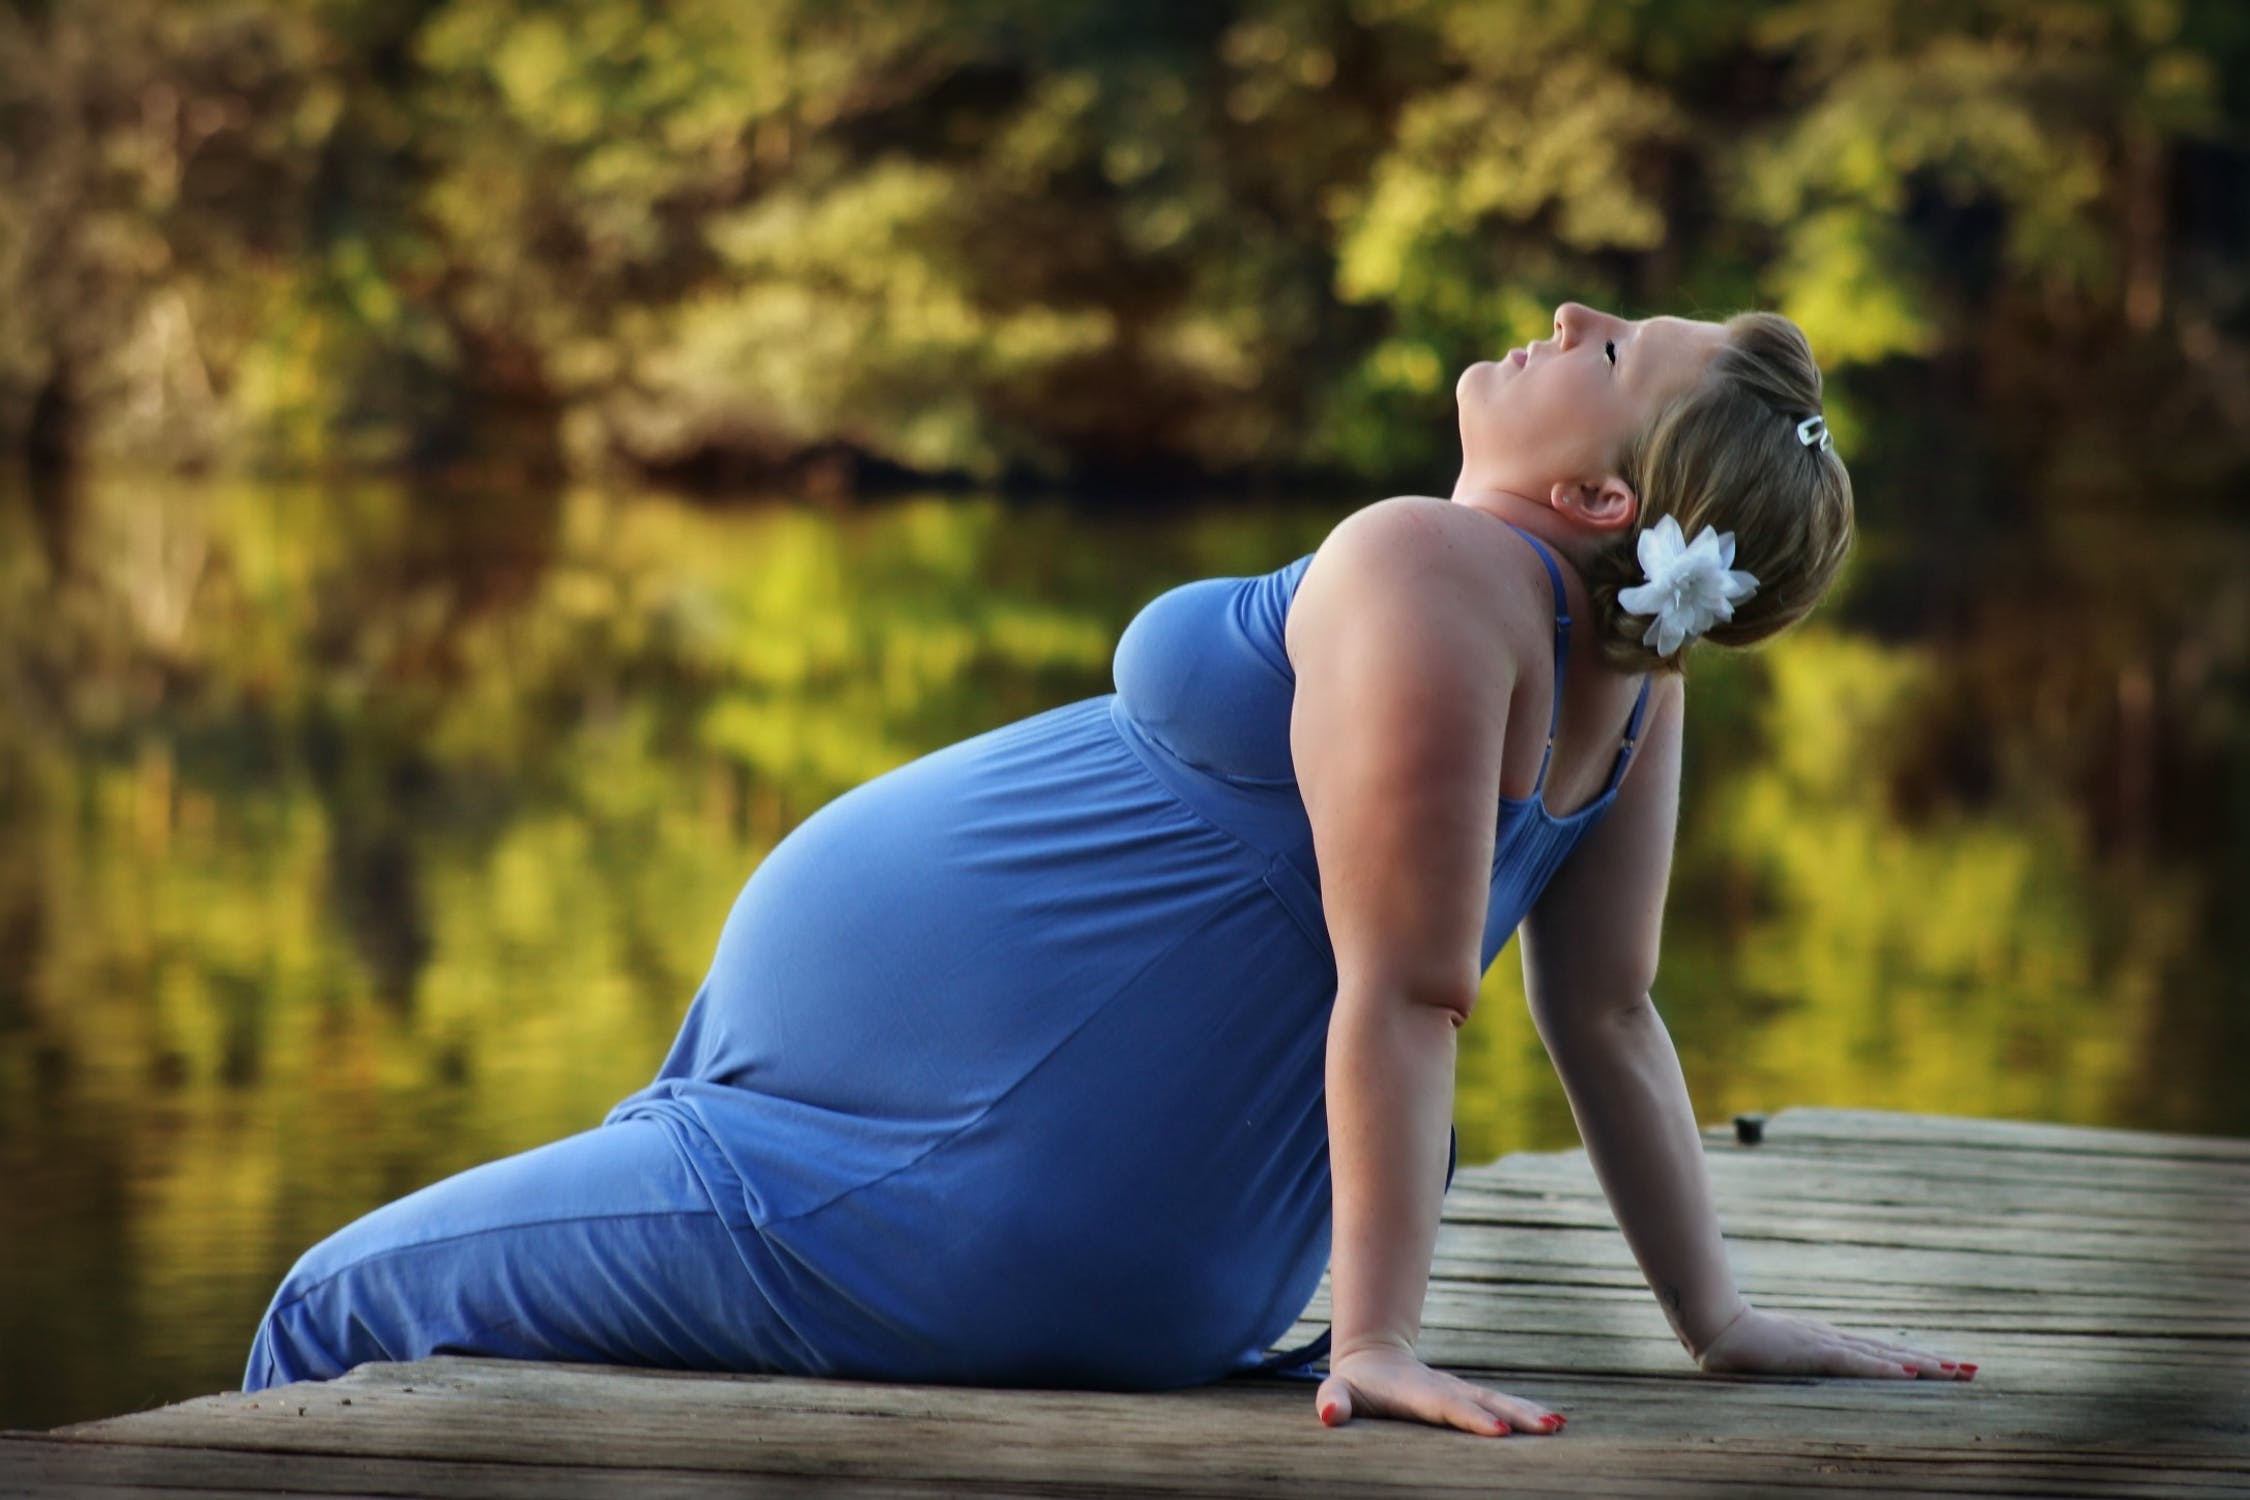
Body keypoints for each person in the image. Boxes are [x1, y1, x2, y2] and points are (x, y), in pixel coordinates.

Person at [243, 301, 1975, 1436]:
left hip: (919, 1190)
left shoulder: (1428, 564)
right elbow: (1605, 1014)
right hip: (1043, 1208)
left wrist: (1371, 1342)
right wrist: (1714, 1318)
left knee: (330, 1311)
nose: (1569, 317)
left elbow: (1412, 987)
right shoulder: (1630, 678)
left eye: (1608, 352)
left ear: (1604, 504)